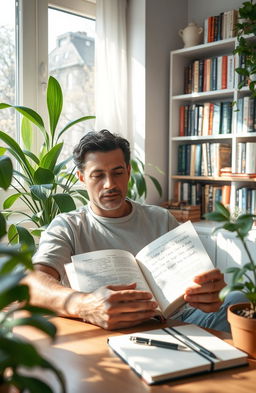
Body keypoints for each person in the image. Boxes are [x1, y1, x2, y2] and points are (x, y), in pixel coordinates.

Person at [27, 130, 245, 332]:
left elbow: (200, 281)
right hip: (104, 328)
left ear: (129, 171)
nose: (109, 184)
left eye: (117, 172)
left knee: (237, 299)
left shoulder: (160, 218)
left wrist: (210, 292)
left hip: (172, 321)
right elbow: (33, 282)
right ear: (82, 177)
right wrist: (85, 305)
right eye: (98, 175)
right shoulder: (68, 226)